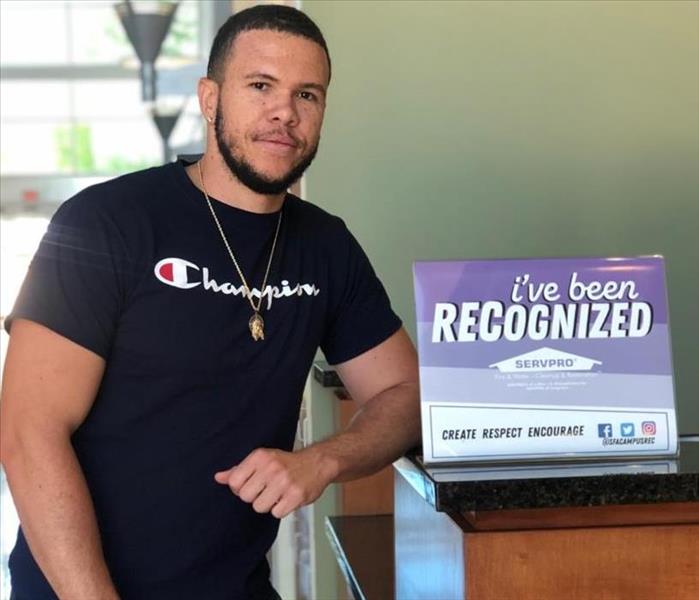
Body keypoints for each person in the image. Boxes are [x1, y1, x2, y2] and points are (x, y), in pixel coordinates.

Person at [0, 5, 420, 600]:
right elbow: (27, 432)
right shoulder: (105, 223)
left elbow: (405, 395)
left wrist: (324, 460)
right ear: (208, 97)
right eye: (260, 86)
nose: (285, 111)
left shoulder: (326, 247)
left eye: (308, 94)